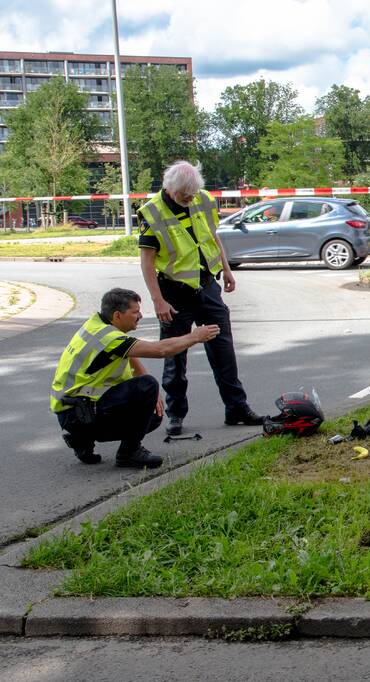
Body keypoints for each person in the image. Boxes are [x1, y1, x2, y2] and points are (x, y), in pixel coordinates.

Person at [137, 160, 265, 436]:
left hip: (207, 287)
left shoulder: (204, 200)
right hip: (174, 293)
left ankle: (237, 408)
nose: (190, 199)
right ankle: (175, 414)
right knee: (175, 355)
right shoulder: (152, 214)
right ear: (170, 189)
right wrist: (158, 300)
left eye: (193, 194)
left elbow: (212, 237)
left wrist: (226, 270)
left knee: (223, 351)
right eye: (185, 195)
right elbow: (147, 262)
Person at [51, 288, 219, 468]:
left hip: (73, 410)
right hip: (79, 412)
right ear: (117, 315)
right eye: (135, 312)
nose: (140, 315)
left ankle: (81, 439)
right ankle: (129, 453)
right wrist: (194, 337)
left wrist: (152, 396)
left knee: (153, 415)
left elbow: (128, 355)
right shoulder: (109, 338)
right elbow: (161, 350)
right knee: (147, 386)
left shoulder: (97, 325)